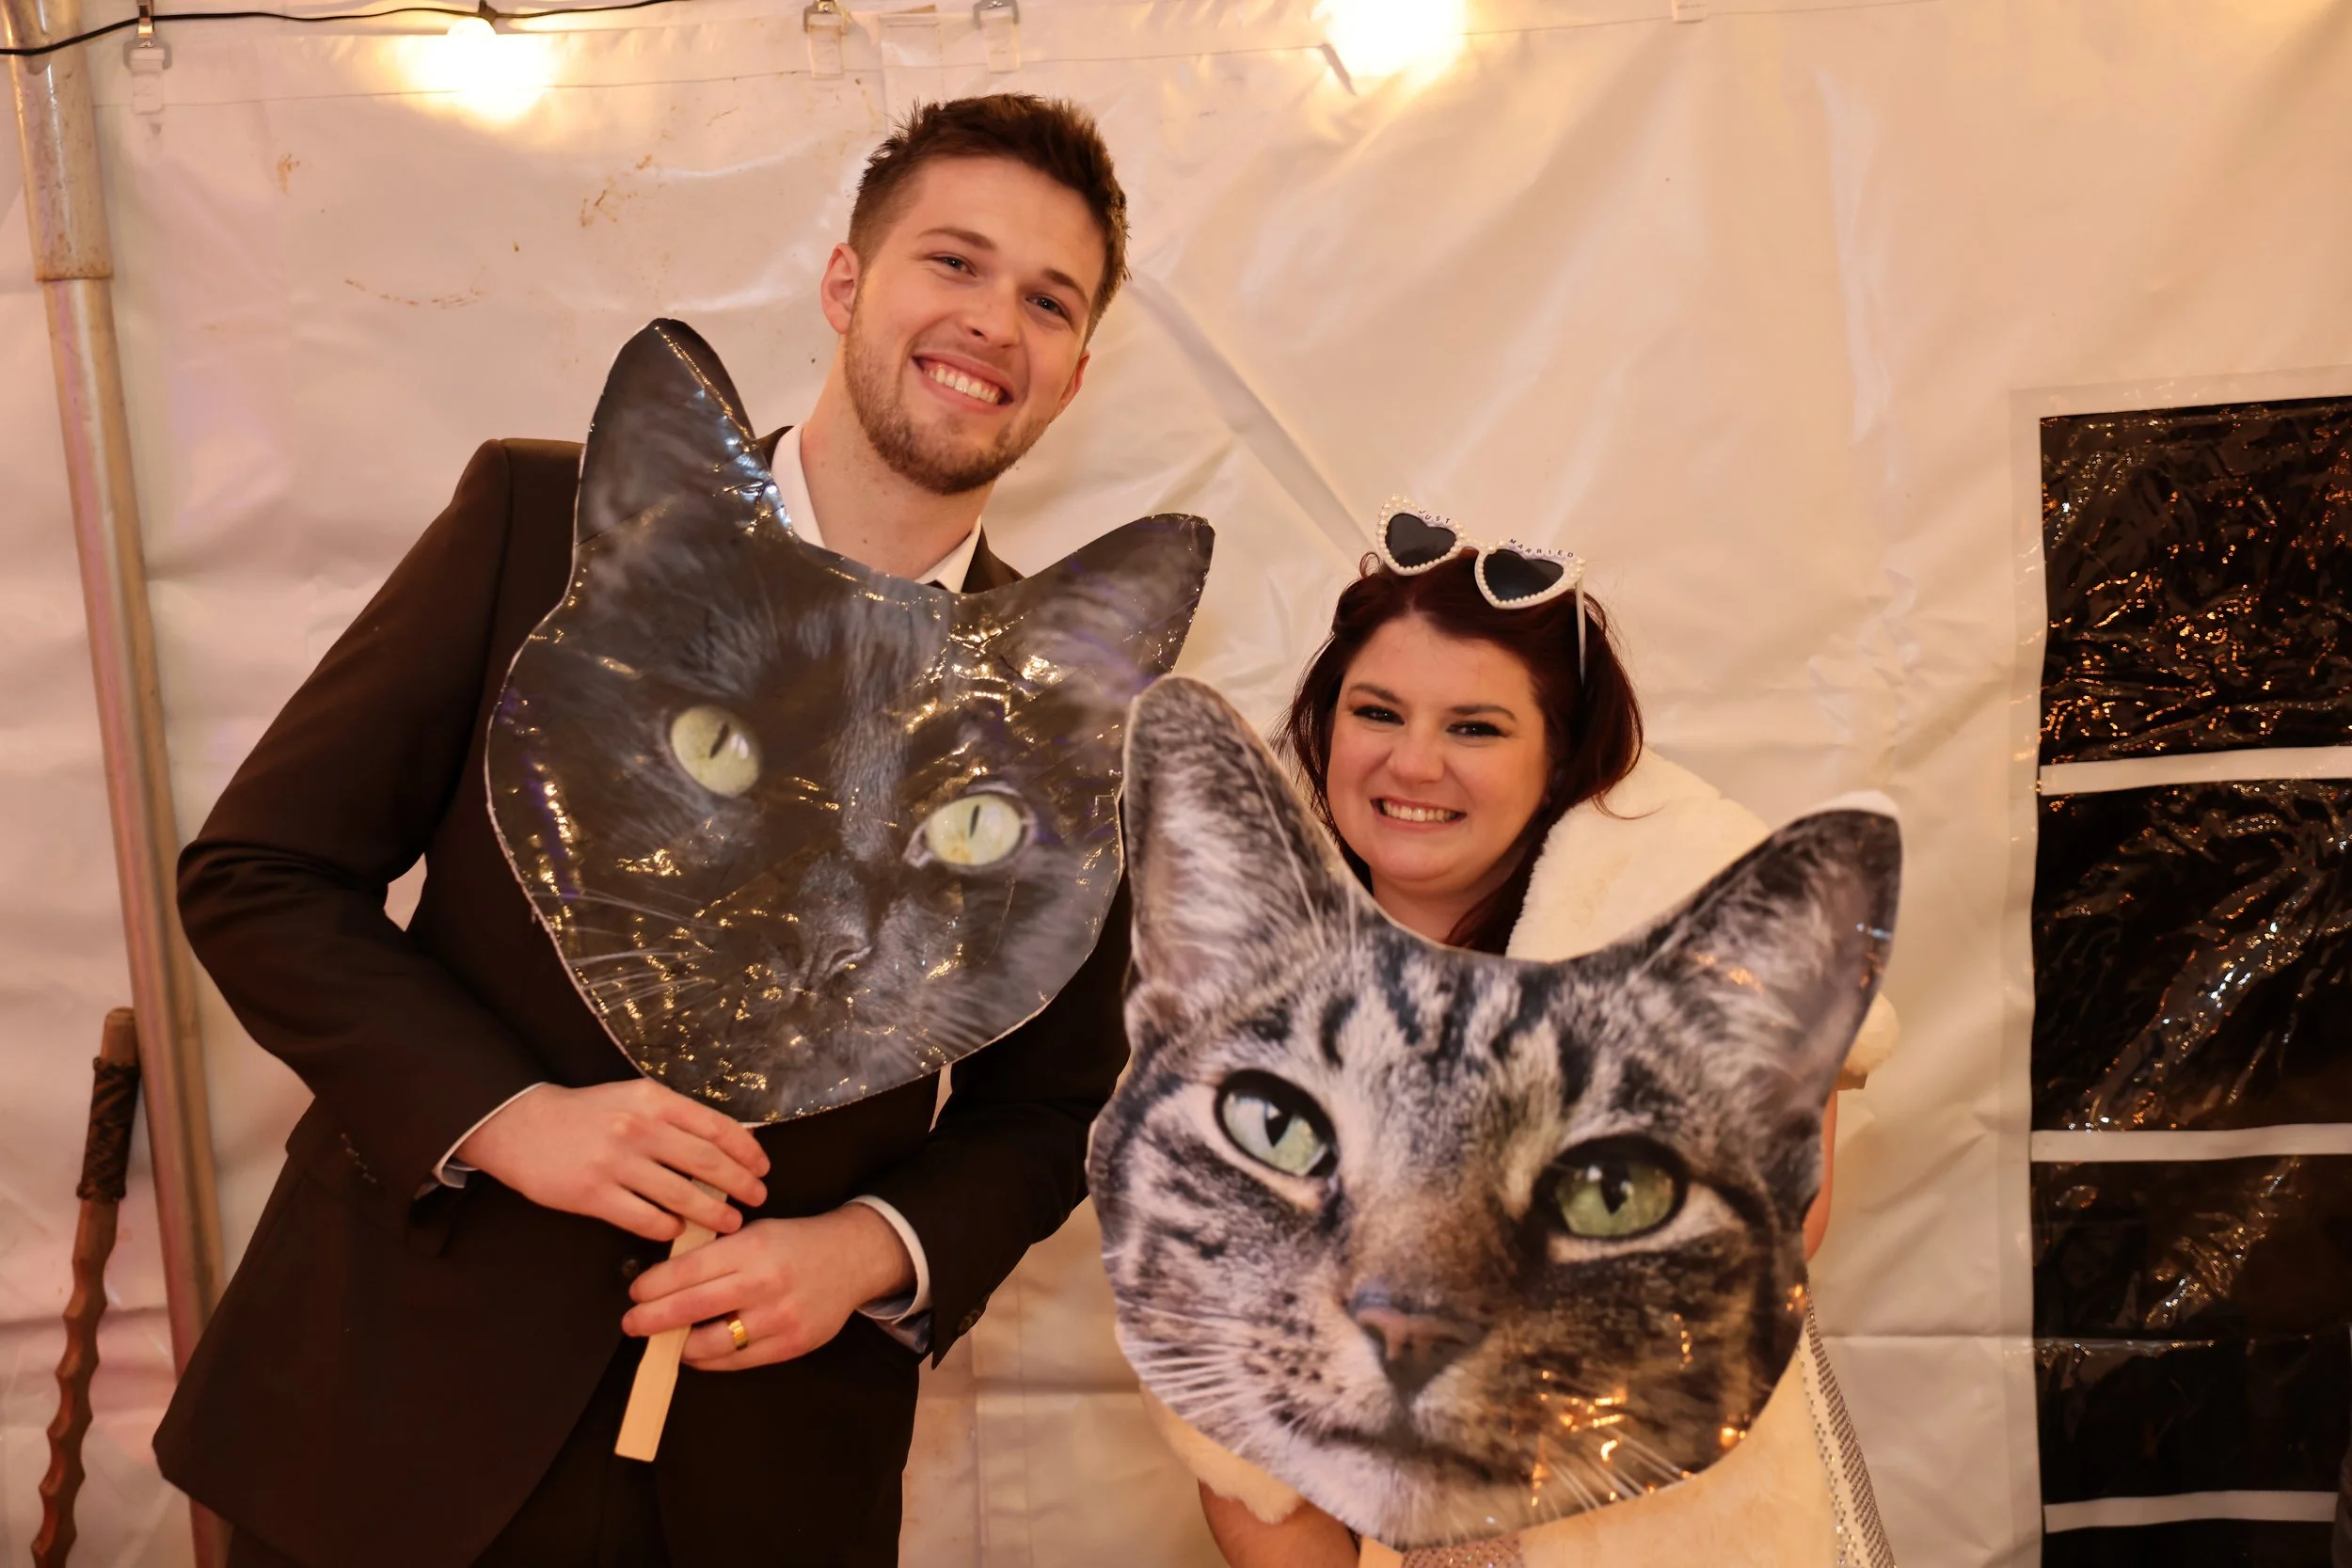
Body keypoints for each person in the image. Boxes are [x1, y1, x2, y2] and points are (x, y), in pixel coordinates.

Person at [155, 94, 1139, 1567]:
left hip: (766, 1474)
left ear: (1075, 372)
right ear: (847, 282)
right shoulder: (543, 523)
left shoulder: (1069, 710)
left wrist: (868, 1247)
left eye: (1050, 301)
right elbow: (262, 875)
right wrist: (512, 1116)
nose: (995, 320)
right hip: (389, 1419)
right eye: (955, 260)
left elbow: (1053, 1108)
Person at [1179, 529, 1898, 1566]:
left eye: (1474, 726)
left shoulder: (1688, 941)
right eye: (1376, 711)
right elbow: (1236, 1435)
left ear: (1558, 756)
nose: (1411, 762)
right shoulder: (1252, 1002)